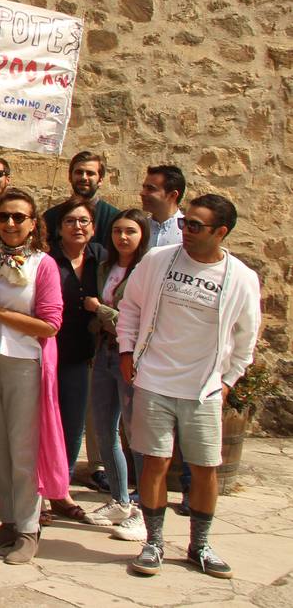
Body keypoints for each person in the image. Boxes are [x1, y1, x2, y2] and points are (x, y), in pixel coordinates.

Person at [118, 194, 261, 579]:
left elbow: (246, 336)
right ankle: (154, 542)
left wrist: (228, 380)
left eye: (196, 226)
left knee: (204, 468)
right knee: (155, 463)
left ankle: (200, 544)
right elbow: (130, 306)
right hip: (154, 380)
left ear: (221, 232)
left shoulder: (242, 279)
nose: (186, 231)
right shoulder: (158, 261)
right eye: (184, 223)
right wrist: (127, 352)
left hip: (203, 389)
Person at [0, 188, 68, 566]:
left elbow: (50, 325)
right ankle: (9, 521)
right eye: (4, 217)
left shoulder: (43, 265)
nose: (10, 223)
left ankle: (29, 528)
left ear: (33, 224)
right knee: (0, 447)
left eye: (18, 217)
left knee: (23, 448)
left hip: (26, 363)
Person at [81, 208, 152, 537]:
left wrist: (100, 310)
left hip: (131, 357)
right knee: (105, 430)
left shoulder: (147, 271)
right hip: (104, 353)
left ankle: (142, 506)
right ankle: (120, 499)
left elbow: (134, 317)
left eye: (130, 232)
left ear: (142, 235)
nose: (123, 237)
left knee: (135, 435)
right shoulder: (106, 266)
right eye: (118, 231)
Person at [47, 196, 106, 522]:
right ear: (60, 229)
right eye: (71, 221)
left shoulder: (100, 260)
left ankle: (61, 490)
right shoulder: (48, 262)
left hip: (80, 356)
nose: (77, 227)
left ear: (93, 228)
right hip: (48, 353)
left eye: (83, 221)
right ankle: (39, 494)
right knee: (43, 424)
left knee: (72, 427)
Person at [44, 150, 119, 250]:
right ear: (70, 177)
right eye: (79, 172)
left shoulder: (114, 218)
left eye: (90, 173)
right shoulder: (50, 217)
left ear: (100, 180)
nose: (84, 177)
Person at [139, 164, 186, 249]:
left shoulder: (188, 231)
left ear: (172, 195)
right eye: (144, 188)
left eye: (150, 189)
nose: (142, 193)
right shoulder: (139, 228)